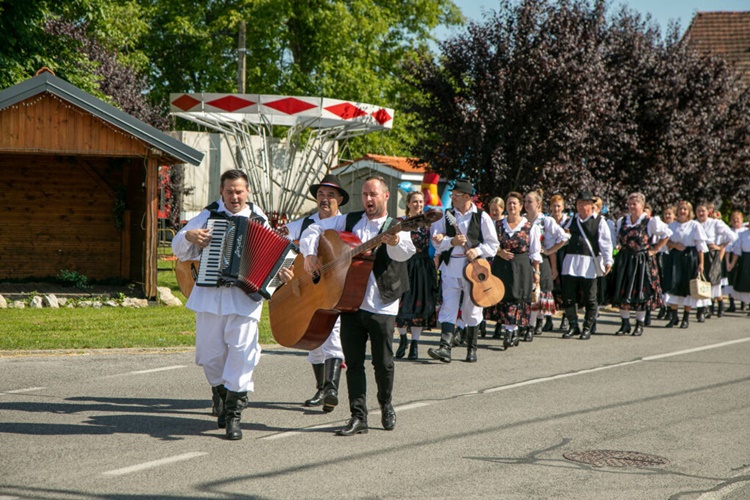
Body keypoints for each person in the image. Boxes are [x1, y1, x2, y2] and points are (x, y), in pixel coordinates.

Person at [298, 175, 416, 436]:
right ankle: (358, 416)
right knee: (353, 363)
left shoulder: (397, 225)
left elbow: (406, 251)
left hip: (382, 303)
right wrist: (308, 254)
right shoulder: (349, 220)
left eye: (373, 194)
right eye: (364, 195)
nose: (368, 199)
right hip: (351, 302)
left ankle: (386, 404)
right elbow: (313, 229)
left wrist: (395, 241)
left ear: (386, 196)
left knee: (383, 363)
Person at [171, 169, 266, 441]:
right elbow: (179, 247)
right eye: (229, 192)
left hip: (244, 300)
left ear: (247, 192)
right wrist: (189, 237)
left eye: (239, 191)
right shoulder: (208, 215)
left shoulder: (260, 220)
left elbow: (276, 257)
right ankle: (220, 394)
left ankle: (234, 415)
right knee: (210, 357)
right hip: (210, 298)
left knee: (242, 355)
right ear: (222, 192)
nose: (234, 196)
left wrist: (279, 273)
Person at [280, 174, 348, 412]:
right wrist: (286, 266)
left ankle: (331, 388)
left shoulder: (346, 223)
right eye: (321, 194)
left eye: (330, 195)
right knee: (314, 340)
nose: (325, 199)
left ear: (340, 199)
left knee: (333, 335)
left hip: (337, 289)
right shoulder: (306, 223)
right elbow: (280, 238)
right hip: (312, 289)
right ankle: (322, 389)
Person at [427, 179, 499, 363]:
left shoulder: (481, 216)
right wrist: (451, 242)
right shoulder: (447, 215)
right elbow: (436, 242)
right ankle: (445, 348)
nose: (452, 198)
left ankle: (471, 349)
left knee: (472, 308)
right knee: (448, 306)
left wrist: (477, 250)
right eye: (452, 195)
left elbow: (493, 244)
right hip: (451, 267)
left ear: (468, 197)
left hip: (473, 270)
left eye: (456, 196)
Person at [484, 191, 542, 348]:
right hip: (501, 266)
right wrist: (499, 252)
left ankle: (511, 332)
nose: (511, 206)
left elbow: (535, 251)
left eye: (514, 203)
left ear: (520, 206)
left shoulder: (530, 227)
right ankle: (511, 331)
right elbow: (489, 243)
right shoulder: (497, 225)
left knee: (516, 298)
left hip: (521, 267)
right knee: (503, 297)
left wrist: (537, 272)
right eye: (509, 203)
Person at [609, 193, 671, 336]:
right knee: (622, 291)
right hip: (624, 260)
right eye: (629, 204)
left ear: (642, 206)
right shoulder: (622, 221)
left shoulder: (650, 221)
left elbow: (667, 233)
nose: (631, 207)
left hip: (641, 261)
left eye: (634, 204)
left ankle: (639, 324)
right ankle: (625, 323)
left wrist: (655, 249)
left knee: (640, 292)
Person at [559, 190, 614, 340]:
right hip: (571, 262)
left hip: (589, 263)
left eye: (584, 203)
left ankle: (588, 328)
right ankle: (573, 326)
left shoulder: (599, 221)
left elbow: (606, 243)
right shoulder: (571, 221)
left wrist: (608, 260)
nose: (581, 206)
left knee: (590, 298)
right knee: (568, 297)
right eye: (579, 203)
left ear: (592, 205)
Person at [395, 191, 438, 360]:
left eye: (420, 202)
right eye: (415, 202)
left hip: (422, 267)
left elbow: (435, 244)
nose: (418, 205)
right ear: (407, 204)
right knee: (400, 304)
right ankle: (403, 339)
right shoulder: (399, 222)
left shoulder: (429, 224)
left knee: (419, 306)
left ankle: (415, 344)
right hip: (403, 265)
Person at [523, 190, 569, 339]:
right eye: (525, 201)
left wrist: (550, 251)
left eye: (530, 201)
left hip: (540, 260)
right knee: (525, 293)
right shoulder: (521, 220)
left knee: (537, 293)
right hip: (523, 260)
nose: (526, 204)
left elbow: (563, 236)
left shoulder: (545, 221)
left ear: (538, 204)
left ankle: (535, 324)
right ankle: (525, 323)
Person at [663, 201, 708, 329]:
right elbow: (666, 243)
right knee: (673, 285)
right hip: (675, 258)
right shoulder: (672, 225)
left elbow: (700, 246)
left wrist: (701, 263)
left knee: (687, 288)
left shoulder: (694, 225)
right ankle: (674, 316)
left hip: (690, 258)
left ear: (689, 212)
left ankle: (685, 317)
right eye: (680, 209)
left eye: (685, 209)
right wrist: (674, 245)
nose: (682, 211)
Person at [695, 203, 737, 320]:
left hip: (711, 254)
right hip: (698, 253)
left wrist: (720, 246)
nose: (701, 213)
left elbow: (732, 236)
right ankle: (703, 309)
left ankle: (718, 304)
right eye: (698, 211)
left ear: (708, 212)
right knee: (699, 281)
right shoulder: (694, 224)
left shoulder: (714, 223)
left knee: (712, 281)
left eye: (703, 211)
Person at [549, 194, 570, 331]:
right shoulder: (547, 220)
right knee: (549, 288)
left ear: (562, 207)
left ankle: (566, 318)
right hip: (550, 254)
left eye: (558, 206)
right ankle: (548, 319)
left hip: (564, 255)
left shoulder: (569, 221)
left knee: (566, 287)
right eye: (554, 206)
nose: (556, 209)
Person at [655, 205, 676, 320]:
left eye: (670, 214)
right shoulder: (661, 227)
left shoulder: (674, 227)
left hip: (670, 257)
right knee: (661, 283)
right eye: (666, 214)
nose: (667, 216)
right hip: (660, 256)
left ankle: (669, 308)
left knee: (668, 283)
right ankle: (663, 305)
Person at [724, 211, 747, 312]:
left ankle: (744, 302)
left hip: (743, 258)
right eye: (733, 218)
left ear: (742, 220)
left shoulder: (745, 231)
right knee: (731, 280)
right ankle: (732, 302)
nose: (735, 220)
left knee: (743, 279)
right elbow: (727, 247)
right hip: (731, 257)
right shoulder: (728, 231)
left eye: (738, 218)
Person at [726, 222, 750, 317]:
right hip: (745, 261)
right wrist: (732, 264)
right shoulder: (742, 234)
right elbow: (737, 250)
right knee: (747, 284)